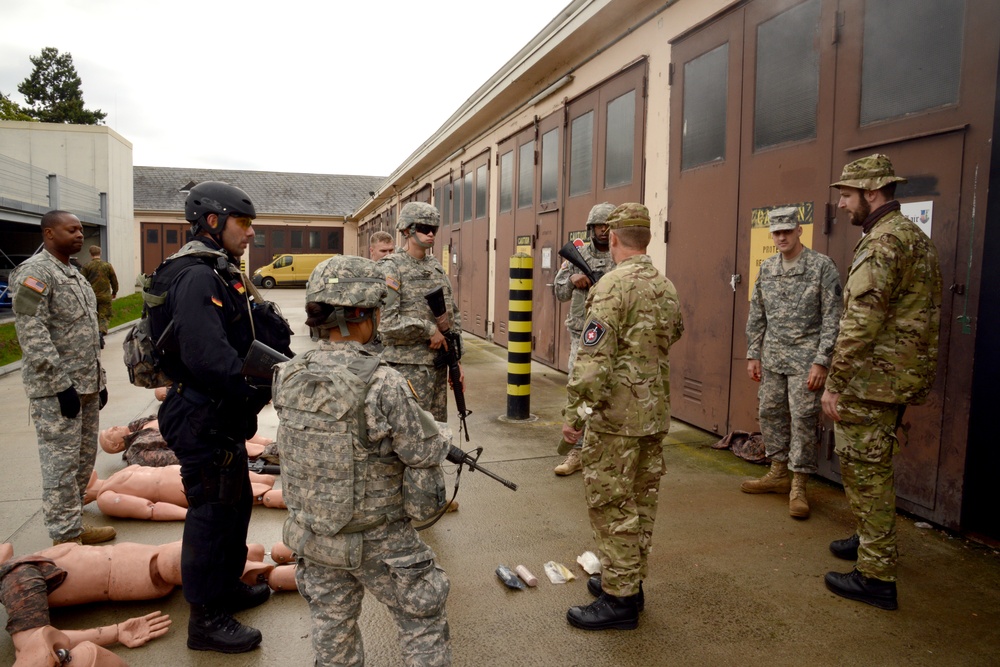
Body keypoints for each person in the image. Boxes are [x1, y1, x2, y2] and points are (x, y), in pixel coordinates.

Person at [274, 255, 453, 665]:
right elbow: (422, 453)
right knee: (421, 615)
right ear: (361, 313)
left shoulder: (287, 374)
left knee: (332, 626)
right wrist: (440, 437)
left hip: (313, 535)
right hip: (378, 538)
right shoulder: (383, 379)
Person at [147, 181, 277, 653]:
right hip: (200, 409)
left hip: (216, 408)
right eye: (244, 223)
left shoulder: (219, 270)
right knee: (209, 514)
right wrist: (249, 392)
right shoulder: (197, 275)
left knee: (235, 503)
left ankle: (223, 588)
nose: (251, 234)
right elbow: (206, 354)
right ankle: (204, 620)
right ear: (214, 221)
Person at [821, 154, 942, 611]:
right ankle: (869, 537)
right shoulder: (913, 236)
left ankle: (876, 575)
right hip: (899, 376)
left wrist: (836, 382)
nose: (842, 206)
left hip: (873, 380)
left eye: (847, 196)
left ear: (872, 193)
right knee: (870, 465)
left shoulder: (882, 243)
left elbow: (861, 322)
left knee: (865, 469)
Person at [561, 203, 684, 631]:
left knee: (611, 504)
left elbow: (592, 362)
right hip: (653, 414)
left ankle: (619, 601)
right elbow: (676, 331)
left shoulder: (612, 286)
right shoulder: (664, 285)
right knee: (641, 502)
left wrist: (574, 417)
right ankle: (628, 580)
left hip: (616, 419)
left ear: (612, 238)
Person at [10, 210, 116, 547]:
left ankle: (74, 524)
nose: (80, 235)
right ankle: (65, 539)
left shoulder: (77, 274)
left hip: (85, 385)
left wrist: (98, 382)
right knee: (61, 466)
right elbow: (32, 331)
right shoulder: (35, 273)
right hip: (58, 390)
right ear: (49, 233)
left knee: (83, 463)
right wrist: (60, 385)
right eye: (71, 230)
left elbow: (84, 333)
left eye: (81, 230)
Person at [742, 206, 842, 519]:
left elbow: (833, 317)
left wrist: (822, 360)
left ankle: (799, 484)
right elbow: (757, 313)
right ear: (771, 234)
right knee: (770, 412)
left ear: (800, 230)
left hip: (806, 360)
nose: (782, 237)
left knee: (803, 419)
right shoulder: (768, 268)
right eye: (777, 232)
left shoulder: (821, 266)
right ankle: (778, 472)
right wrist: (753, 353)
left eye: (788, 230)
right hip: (772, 357)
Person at [379, 202, 462, 422]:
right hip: (408, 368)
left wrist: (456, 360)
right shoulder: (391, 267)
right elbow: (386, 322)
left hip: (438, 364)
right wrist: (428, 330)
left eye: (434, 229)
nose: (430, 233)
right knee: (411, 431)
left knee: (437, 431)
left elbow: (452, 313)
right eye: (424, 228)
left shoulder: (434, 266)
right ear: (407, 230)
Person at [552, 202, 616, 476]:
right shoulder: (577, 255)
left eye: (608, 225)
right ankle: (576, 450)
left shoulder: (620, 254)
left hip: (614, 333)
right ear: (590, 228)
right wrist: (572, 279)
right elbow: (559, 292)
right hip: (583, 333)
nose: (603, 231)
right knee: (579, 390)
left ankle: (605, 450)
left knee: (613, 391)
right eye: (599, 225)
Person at [83, 465, 282, 521]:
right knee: (260, 494)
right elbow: (150, 509)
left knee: (264, 479)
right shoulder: (106, 498)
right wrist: (189, 515)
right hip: (189, 487)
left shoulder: (116, 475)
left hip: (192, 471)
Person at [80, 245, 118, 349]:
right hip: (105, 296)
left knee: (93, 317)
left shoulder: (87, 266)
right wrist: (114, 291)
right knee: (104, 316)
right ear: (100, 253)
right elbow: (114, 280)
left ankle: (95, 335)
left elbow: (81, 281)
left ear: (90, 254)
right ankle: (101, 333)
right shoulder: (107, 265)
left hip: (91, 297)